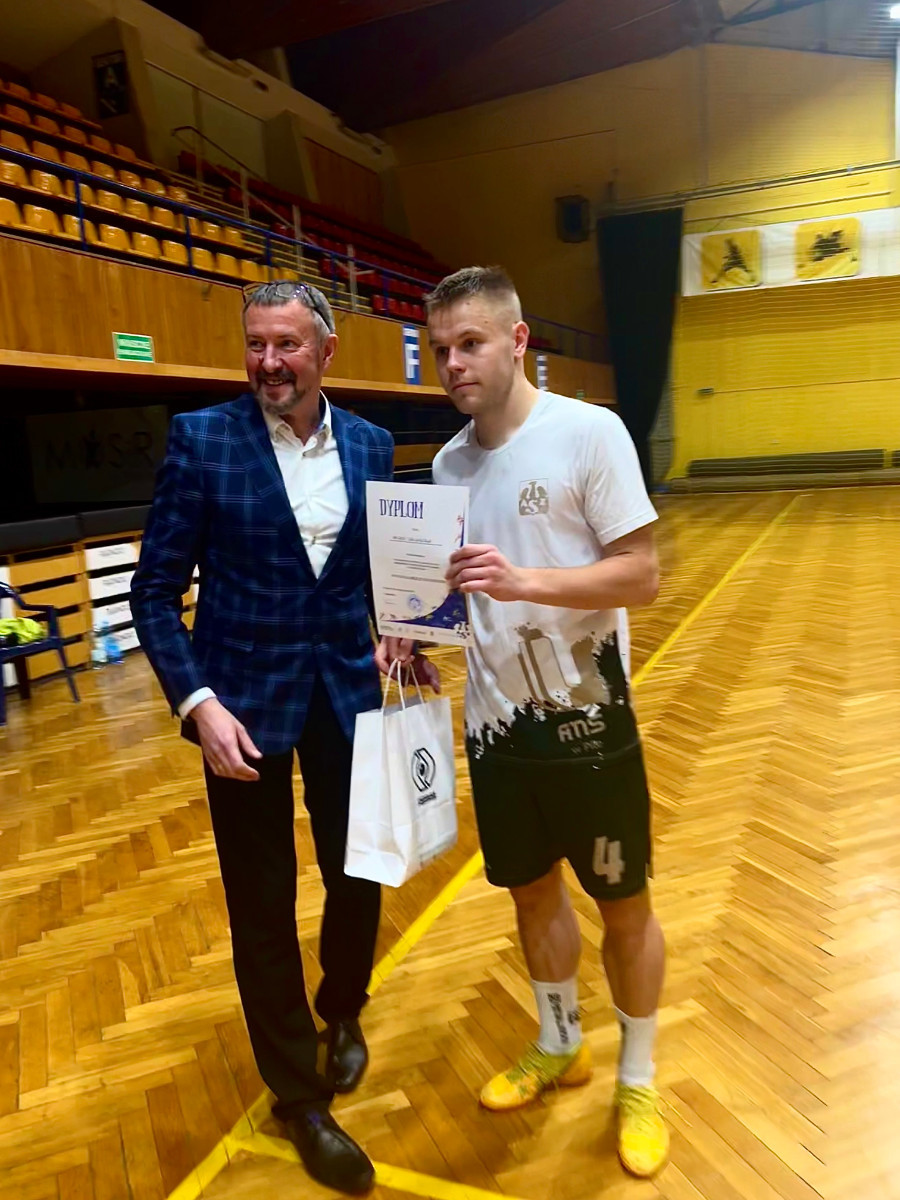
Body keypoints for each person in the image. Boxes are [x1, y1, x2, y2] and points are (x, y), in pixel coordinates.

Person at [377, 266, 668, 1178]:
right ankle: (559, 1042)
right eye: (440, 350)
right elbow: (460, 594)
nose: (453, 364)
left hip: (591, 728)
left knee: (624, 905)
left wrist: (523, 580)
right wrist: (413, 633)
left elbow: (641, 574)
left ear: (516, 340)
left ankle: (638, 1078)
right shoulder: (448, 466)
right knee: (532, 895)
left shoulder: (590, 432)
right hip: (496, 731)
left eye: (470, 344)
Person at [132, 280, 403, 1196]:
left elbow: (382, 571)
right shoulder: (202, 439)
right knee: (261, 902)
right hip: (240, 708)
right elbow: (153, 593)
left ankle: (343, 1006)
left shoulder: (370, 444)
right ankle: (299, 1097)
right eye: (256, 344)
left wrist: (403, 629)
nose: (269, 362)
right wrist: (197, 704)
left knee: (358, 870)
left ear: (326, 351)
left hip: (346, 694)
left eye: (287, 344)